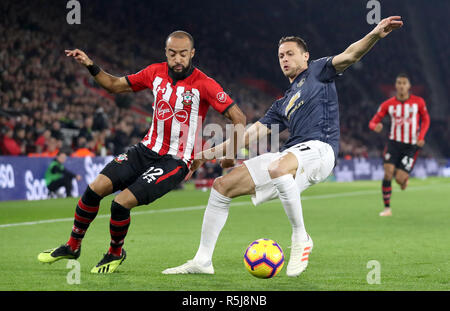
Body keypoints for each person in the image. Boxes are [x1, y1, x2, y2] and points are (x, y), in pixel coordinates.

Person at [163, 16, 404, 277]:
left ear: (305, 56)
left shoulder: (319, 70)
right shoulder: (282, 103)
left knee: (279, 166)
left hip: (321, 150)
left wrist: (375, 34)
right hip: (294, 153)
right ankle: (203, 260)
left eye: (290, 53)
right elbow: (245, 136)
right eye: (280, 55)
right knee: (222, 187)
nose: (284, 59)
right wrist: (203, 155)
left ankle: (301, 238)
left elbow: (350, 55)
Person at [37, 30, 246, 274]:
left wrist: (230, 154)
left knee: (119, 204)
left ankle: (115, 252)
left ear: (192, 54)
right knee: (94, 190)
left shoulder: (204, 84)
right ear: (166, 53)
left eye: (182, 54)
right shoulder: (154, 72)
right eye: (172, 53)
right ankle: (72, 246)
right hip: (145, 149)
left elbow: (238, 116)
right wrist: (90, 65)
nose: (177, 59)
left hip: (175, 161)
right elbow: (114, 85)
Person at [368, 73, 430, 216]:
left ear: (409, 86)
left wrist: (421, 136)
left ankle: (403, 179)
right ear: (396, 86)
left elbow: (426, 119)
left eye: (404, 83)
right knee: (388, 172)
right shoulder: (388, 104)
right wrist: (374, 127)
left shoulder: (418, 102)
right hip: (394, 143)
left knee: (400, 180)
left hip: (411, 145)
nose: (401, 86)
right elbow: (373, 121)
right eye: (399, 83)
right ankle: (387, 208)